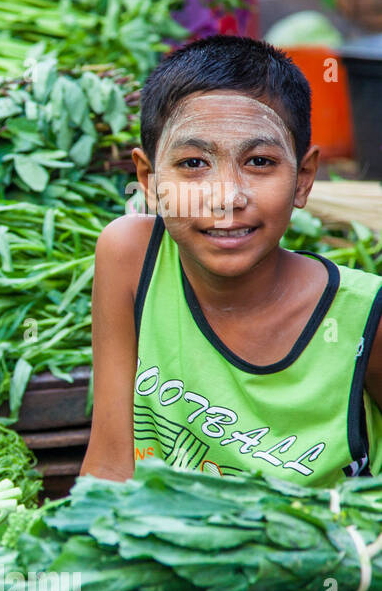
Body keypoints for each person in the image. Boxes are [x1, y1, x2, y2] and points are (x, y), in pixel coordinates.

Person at [81, 35, 382, 486]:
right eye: (194, 163)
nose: (227, 198)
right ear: (147, 179)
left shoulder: (364, 316)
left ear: (303, 178)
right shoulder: (132, 258)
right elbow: (109, 469)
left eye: (260, 161)